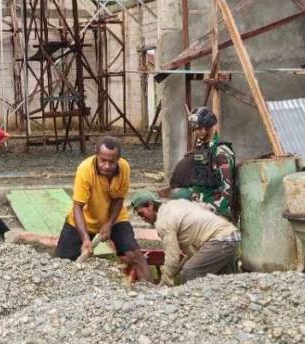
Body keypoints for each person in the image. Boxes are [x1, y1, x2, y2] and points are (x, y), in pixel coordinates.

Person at [53, 136, 150, 281]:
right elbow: (78, 207)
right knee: (61, 264)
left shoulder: (124, 168)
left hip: (115, 218)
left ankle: (154, 293)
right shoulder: (85, 170)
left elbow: (118, 198)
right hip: (83, 220)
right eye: (103, 160)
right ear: (96, 155)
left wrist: (109, 224)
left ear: (118, 159)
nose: (106, 166)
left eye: (112, 162)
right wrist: (85, 238)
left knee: (135, 255)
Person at [130, 190, 240, 284]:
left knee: (191, 271)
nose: (142, 218)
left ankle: (197, 306)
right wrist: (175, 272)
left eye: (141, 213)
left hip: (221, 239)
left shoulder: (164, 222)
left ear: (150, 205)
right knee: (224, 280)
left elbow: (172, 258)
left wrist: (164, 284)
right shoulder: (173, 205)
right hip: (229, 236)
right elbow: (192, 253)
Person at [169, 106, 236, 219]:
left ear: (209, 127)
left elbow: (227, 187)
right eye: (195, 129)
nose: (197, 132)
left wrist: (219, 211)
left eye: (200, 129)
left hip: (215, 209)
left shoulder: (221, 152)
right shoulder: (200, 149)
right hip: (198, 204)